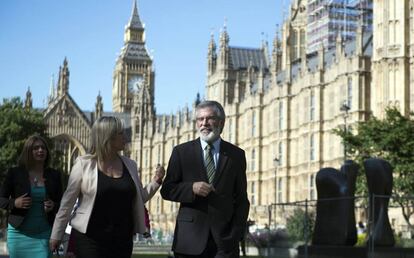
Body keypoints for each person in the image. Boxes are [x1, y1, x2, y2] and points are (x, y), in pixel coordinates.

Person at [49, 116, 165, 258]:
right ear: (108, 137)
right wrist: (56, 235)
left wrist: (157, 181)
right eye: (121, 133)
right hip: (89, 238)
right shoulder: (83, 165)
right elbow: (67, 205)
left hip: (122, 239)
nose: (126, 136)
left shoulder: (130, 165)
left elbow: (139, 197)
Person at [161, 100, 250, 258]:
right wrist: (191, 188)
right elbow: (167, 190)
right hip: (189, 240)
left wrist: (236, 233)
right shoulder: (181, 152)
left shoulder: (236, 155)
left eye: (210, 118)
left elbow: (242, 199)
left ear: (221, 122)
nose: (204, 123)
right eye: (200, 119)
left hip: (225, 242)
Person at [0, 134, 63, 258]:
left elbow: (62, 204)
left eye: (43, 148)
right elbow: (1, 200)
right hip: (19, 235)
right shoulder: (15, 173)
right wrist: (14, 203)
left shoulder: (54, 175)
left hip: (45, 234)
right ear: (28, 151)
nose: (40, 150)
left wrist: (53, 205)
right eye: (36, 148)